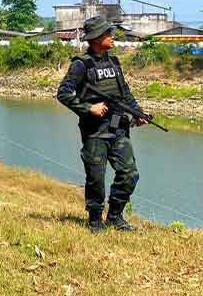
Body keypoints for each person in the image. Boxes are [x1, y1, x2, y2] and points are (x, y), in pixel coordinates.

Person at [56, 16, 146, 233]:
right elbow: (63, 93)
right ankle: (95, 220)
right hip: (95, 131)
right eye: (108, 34)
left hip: (118, 127)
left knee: (129, 174)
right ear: (96, 38)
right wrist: (89, 108)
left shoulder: (114, 62)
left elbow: (124, 93)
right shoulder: (81, 64)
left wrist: (138, 113)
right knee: (96, 178)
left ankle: (115, 216)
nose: (112, 37)